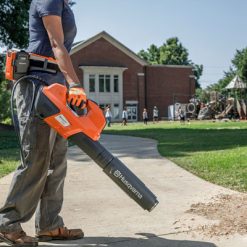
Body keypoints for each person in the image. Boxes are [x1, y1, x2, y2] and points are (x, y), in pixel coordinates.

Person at [0, 0, 85, 246]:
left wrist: (68, 86)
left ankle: (50, 224)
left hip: (56, 90)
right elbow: (57, 43)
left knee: (57, 159)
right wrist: (75, 83)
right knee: (36, 156)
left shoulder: (62, 3)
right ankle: (8, 223)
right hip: (37, 85)